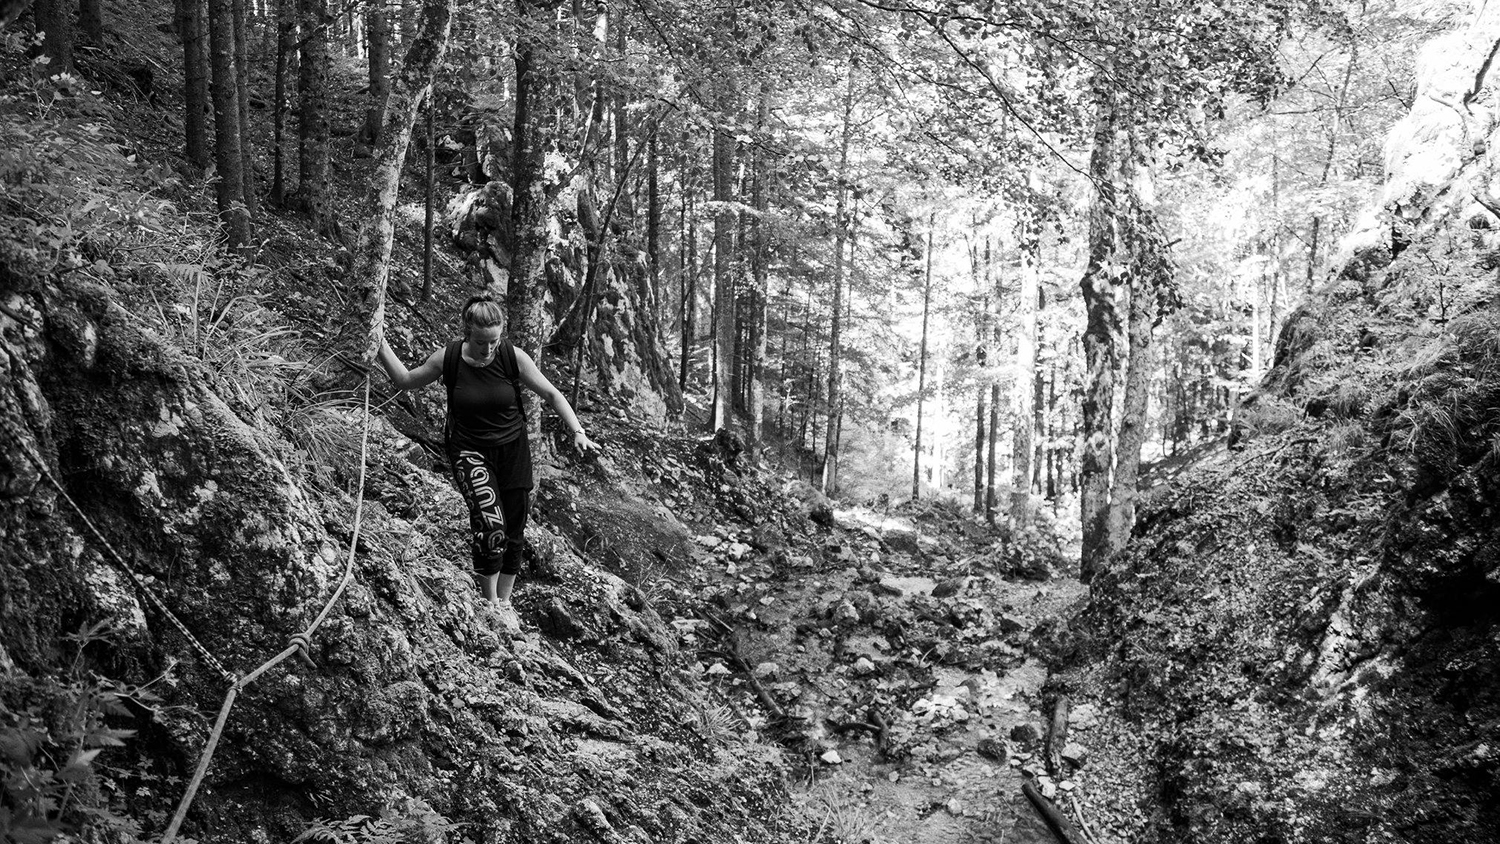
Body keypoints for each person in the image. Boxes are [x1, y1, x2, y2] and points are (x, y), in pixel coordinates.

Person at [376, 295, 597, 633]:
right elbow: (405, 380)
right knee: (490, 524)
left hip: (513, 451)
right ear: (467, 335)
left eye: (494, 341)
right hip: (469, 451)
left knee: (514, 527)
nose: (489, 349)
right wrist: (378, 340)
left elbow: (553, 394)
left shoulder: (512, 357)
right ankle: (489, 602)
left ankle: (504, 602)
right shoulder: (448, 359)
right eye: (482, 343)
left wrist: (578, 431)